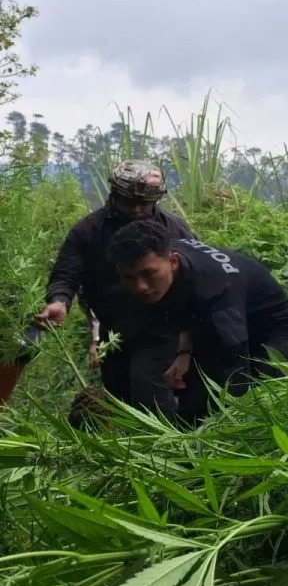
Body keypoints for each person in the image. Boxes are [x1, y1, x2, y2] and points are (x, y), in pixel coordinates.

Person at [37, 160, 195, 413]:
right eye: (129, 202)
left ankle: (165, 444)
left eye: (144, 203)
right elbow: (66, 274)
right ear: (114, 194)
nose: (136, 210)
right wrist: (59, 301)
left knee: (150, 384)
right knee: (119, 393)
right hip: (115, 329)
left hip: (163, 325)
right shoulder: (89, 231)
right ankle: (127, 447)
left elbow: (196, 268)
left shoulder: (173, 228)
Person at [107, 219, 288, 424]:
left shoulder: (214, 287)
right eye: (129, 278)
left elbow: (235, 364)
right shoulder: (162, 258)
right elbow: (182, 307)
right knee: (193, 408)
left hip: (269, 328)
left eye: (148, 274)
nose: (141, 287)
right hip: (212, 319)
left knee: (268, 397)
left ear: (173, 261)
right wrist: (184, 352)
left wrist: (233, 422)